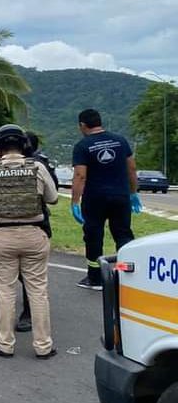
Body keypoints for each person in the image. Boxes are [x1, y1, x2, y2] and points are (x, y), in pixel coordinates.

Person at [0, 124, 59, 358]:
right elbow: (53, 198)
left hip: (1, 236)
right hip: (33, 234)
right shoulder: (37, 167)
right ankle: (43, 345)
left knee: (5, 292)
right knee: (38, 291)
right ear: (24, 145)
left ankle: (4, 343)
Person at [70, 109, 139, 290]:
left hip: (95, 198)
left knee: (94, 236)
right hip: (120, 196)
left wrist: (75, 201)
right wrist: (133, 193)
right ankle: (126, 275)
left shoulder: (83, 146)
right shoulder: (120, 141)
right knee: (123, 234)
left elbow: (80, 176)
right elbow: (132, 168)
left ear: (82, 125)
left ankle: (95, 278)